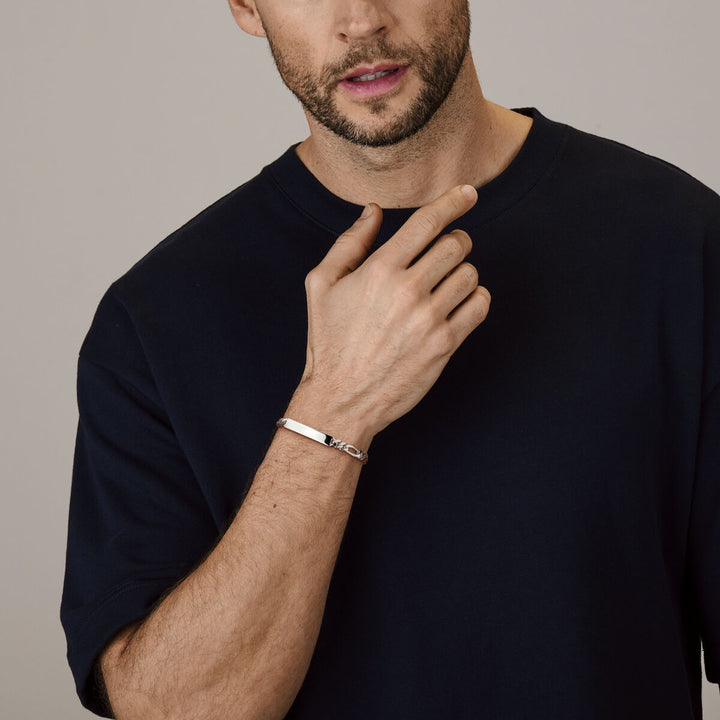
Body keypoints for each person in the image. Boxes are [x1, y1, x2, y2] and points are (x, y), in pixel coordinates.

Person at [61, 1, 720, 718]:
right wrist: (334, 409)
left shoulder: (680, 244)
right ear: (248, 6)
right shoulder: (154, 321)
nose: (361, 20)